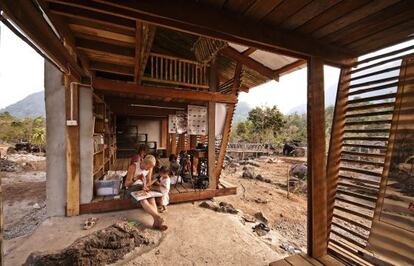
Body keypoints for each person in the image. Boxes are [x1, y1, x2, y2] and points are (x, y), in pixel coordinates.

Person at [125, 155, 168, 231]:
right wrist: (136, 178)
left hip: (141, 186)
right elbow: (126, 184)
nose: (149, 169)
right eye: (148, 167)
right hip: (132, 187)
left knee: (151, 198)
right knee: (143, 199)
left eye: (151, 167)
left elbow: (148, 182)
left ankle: (156, 222)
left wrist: (146, 187)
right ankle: (158, 217)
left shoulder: (149, 168)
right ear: (144, 163)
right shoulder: (133, 166)